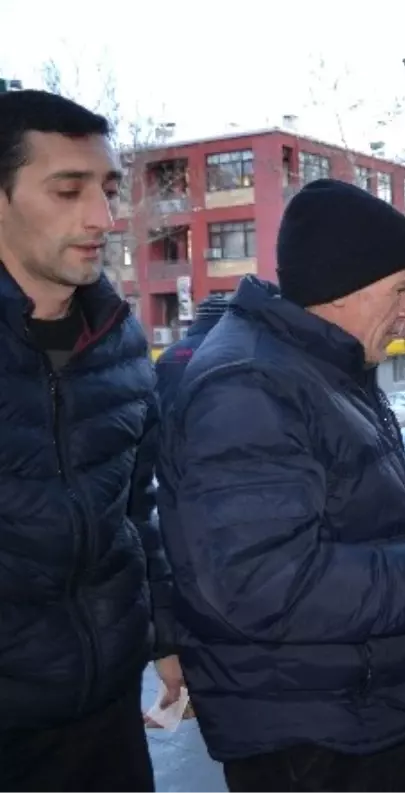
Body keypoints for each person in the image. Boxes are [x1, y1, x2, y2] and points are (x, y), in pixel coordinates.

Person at [155, 178, 405, 793]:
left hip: (344, 710)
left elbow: (358, 527)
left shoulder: (319, 369)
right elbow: (264, 581)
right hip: (307, 737)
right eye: (401, 289)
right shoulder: (251, 386)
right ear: (345, 289)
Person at [0, 89, 181, 793]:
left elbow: (135, 512)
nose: (102, 218)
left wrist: (164, 633)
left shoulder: (122, 342)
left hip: (105, 721)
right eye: (68, 190)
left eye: (106, 190)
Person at [153, 292, 229, 415]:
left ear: (198, 319)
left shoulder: (169, 355)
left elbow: (154, 399)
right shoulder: (230, 354)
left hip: (170, 429)